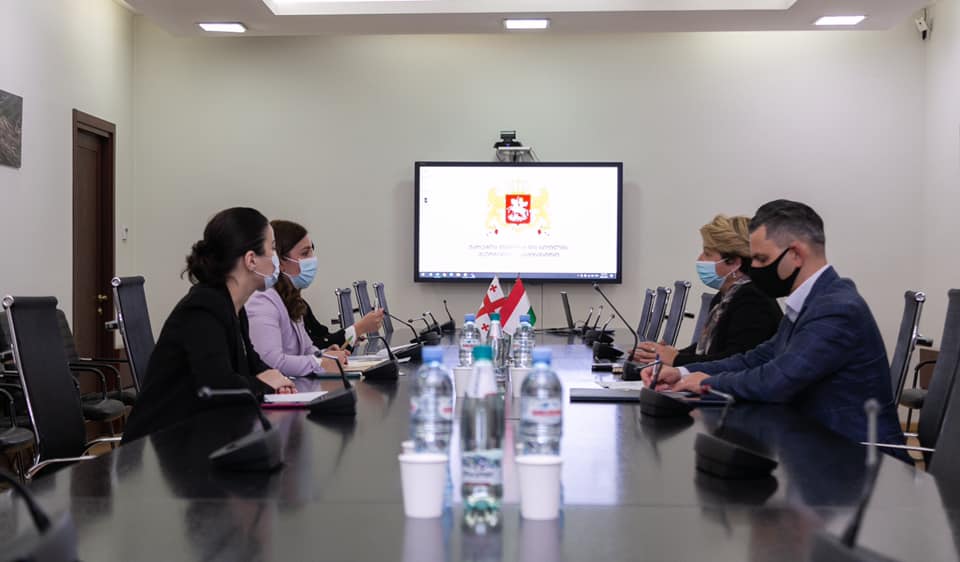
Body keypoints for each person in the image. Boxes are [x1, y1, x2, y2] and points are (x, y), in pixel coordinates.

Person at [641, 200, 906, 450]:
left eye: (762, 259)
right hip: (815, 448)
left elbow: (777, 380)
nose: (754, 268)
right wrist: (683, 372)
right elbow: (755, 359)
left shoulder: (836, 308)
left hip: (858, 460)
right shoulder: (812, 302)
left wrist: (707, 382)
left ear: (796, 254)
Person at [123, 207, 297, 443]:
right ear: (251, 260)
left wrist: (278, 381)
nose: (276, 257)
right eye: (273, 248)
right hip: (157, 444)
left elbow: (252, 364)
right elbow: (217, 385)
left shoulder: (233, 306)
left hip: (196, 436)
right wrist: (264, 383)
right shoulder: (203, 308)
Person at [632, 214, 781, 367]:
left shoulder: (753, 300)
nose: (700, 258)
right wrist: (667, 353)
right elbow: (708, 350)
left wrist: (676, 360)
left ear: (734, 262)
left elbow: (736, 361)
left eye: (707, 253)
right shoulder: (725, 296)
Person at [245, 220, 381, 377]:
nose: (312, 259)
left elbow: (306, 349)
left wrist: (325, 355)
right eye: (304, 253)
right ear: (280, 262)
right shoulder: (262, 300)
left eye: (311, 252)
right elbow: (271, 362)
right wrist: (320, 363)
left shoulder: (291, 298)